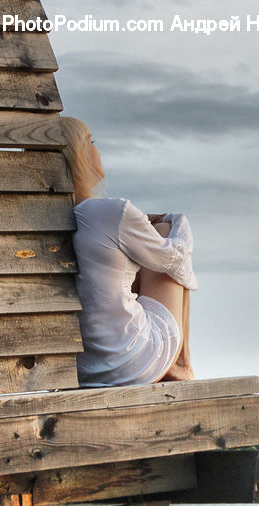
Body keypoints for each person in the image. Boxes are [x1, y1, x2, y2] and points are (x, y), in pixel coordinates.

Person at [58, 116, 196, 386]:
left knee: (132, 254)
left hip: (86, 369)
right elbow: (175, 258)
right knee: (166, 233)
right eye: (91, 142)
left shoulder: (54, 218)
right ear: (79, 155)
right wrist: (175, 219)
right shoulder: (112, 213)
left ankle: (181, 365)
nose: (97, 150)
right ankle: (183, 365)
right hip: (130, 362)